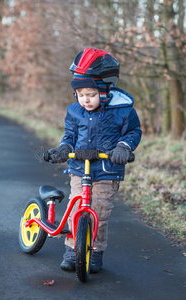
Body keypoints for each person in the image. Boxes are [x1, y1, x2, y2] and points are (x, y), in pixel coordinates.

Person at [44, 47, 142, 273]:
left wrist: (123, 147)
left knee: (100, 210)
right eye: (80, 94)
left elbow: (133, 132)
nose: (85, 100)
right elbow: (70, 135)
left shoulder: (123, 111)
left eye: (91, 94)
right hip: (80, 168)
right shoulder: (74, 111)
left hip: (107, 169)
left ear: (106, 91)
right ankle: (72, 249)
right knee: (77, 205)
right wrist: (64, 148)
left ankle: (95, 252)